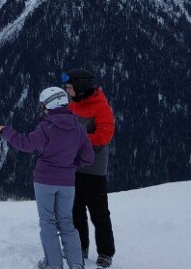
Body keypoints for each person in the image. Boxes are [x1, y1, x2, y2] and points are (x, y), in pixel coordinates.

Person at [0, 86, 94, 269]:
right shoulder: (79, 128)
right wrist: (70, 166)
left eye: (43, 106)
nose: (42, 109)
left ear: (49, 105)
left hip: (45, 181)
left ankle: (54, 265)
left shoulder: (46, 127)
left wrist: (5, 131)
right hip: (67, 182)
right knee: (67, 222)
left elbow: (25, 144)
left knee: (48, 222)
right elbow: (88, 158)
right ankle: (77, 265)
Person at [63, 69, 117, 268]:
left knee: (99, 213)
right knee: (75, 210)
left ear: (81, 87)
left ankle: (105, 252)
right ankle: (80, 247)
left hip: (94, 170)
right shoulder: (73, 106)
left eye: (70, 87)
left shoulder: (102, 108)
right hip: (73, 167)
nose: (68, 91)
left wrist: (76, 140)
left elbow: (103, 137)